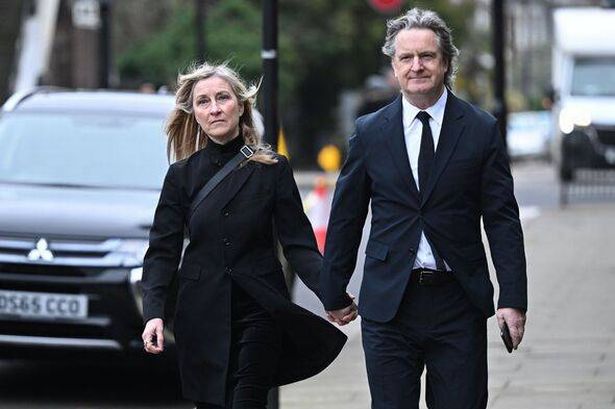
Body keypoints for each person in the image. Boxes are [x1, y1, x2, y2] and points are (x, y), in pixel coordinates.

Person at [321, 8, 527, 409]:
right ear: (394, 67)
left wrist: (513, 298)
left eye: (427, 56)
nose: (416, 66)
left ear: (445, 62)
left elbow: (502, 220)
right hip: (390, 304)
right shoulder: (370, 132)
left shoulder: (480, 129)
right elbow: (347, 216)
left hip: (458, 302)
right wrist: (333, 289)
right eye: (406, 58)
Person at [140, 62, 349, 409]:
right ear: (195, 114)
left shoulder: (273, 169)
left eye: (222, 98)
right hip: (200, 314)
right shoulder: (181, 176)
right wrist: (154, 313)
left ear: (241, 105)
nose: (215, 108)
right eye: (204, 101)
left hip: (259, 309)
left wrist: (332, 294)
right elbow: (162, 250)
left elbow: (299, 246)